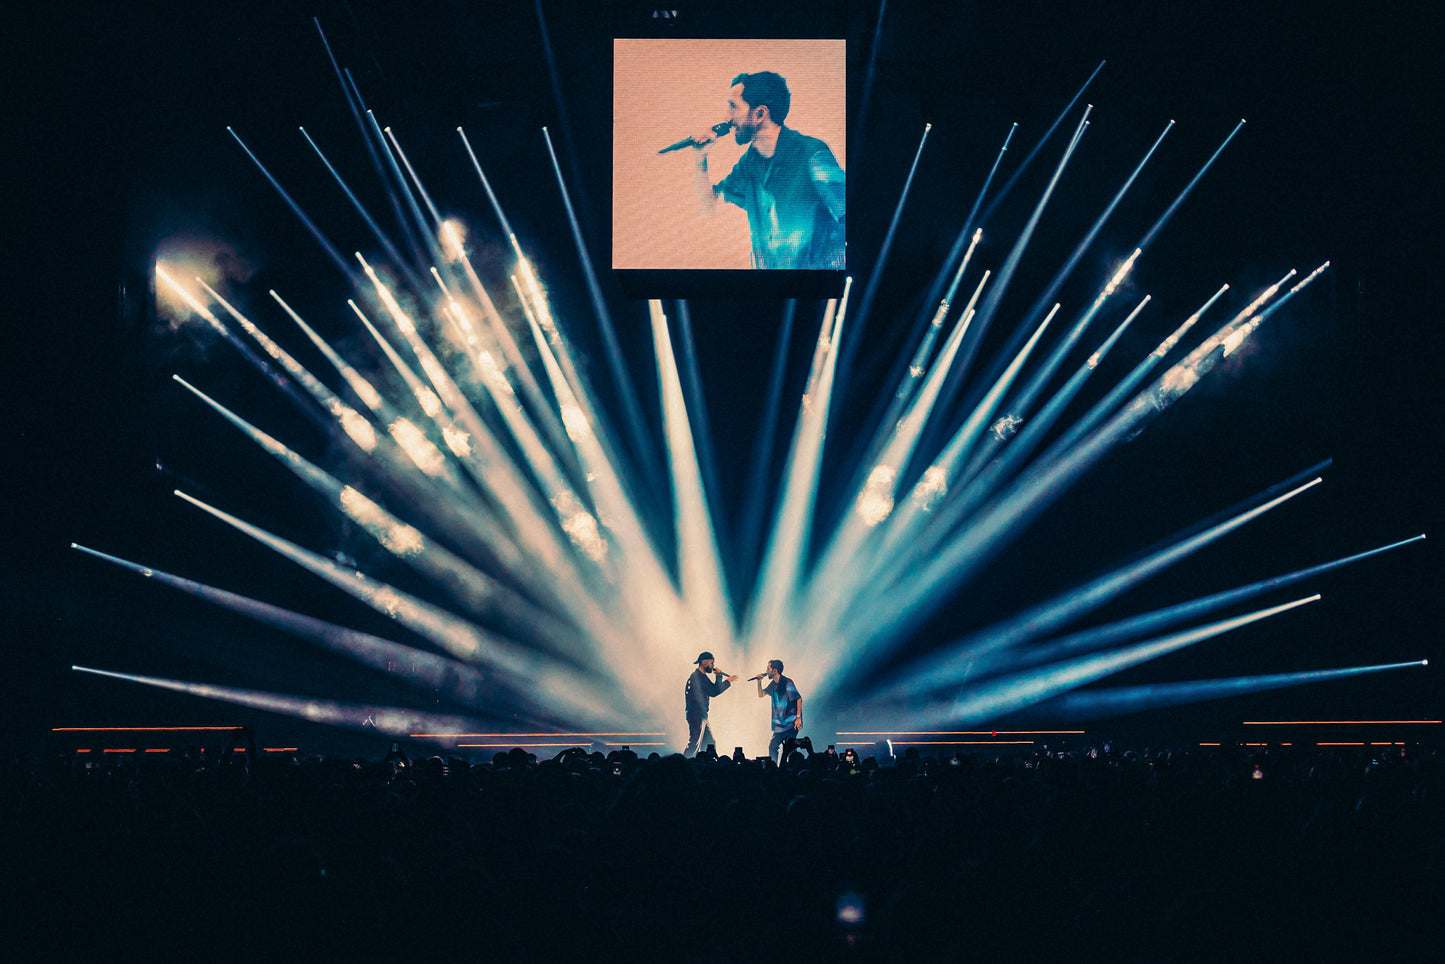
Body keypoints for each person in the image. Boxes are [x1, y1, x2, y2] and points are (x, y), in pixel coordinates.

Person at [691, 71, 845, 269]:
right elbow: (707, 206)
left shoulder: (812, 153)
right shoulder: (748, 164)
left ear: (760, 114)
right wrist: (700, 157)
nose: (727, 118)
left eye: (733, 107)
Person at [684, 652, 738, 758]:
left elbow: (714, 690)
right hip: (697, 714)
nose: (713, 666)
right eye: (712, 663)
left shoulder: (700, 676)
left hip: (700, 714)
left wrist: (720, 678)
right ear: (704, 663)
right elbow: (714, 692)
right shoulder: (698, 677)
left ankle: (706, 763)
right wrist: (725, 680)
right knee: (695, 743)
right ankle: (684, 764)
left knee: (709, 743)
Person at [756, 659, 803, 764]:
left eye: (768, 668)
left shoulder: (787, 682)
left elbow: (799, 699)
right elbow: (761, 695)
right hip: (780, 723)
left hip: (791, 722)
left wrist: (798, 718)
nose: (766, 671)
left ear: (775, 670)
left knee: (790, 748)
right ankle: (773, 768)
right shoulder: (773, 684)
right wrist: (759, 682)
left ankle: (791, 769)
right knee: (772, 747)